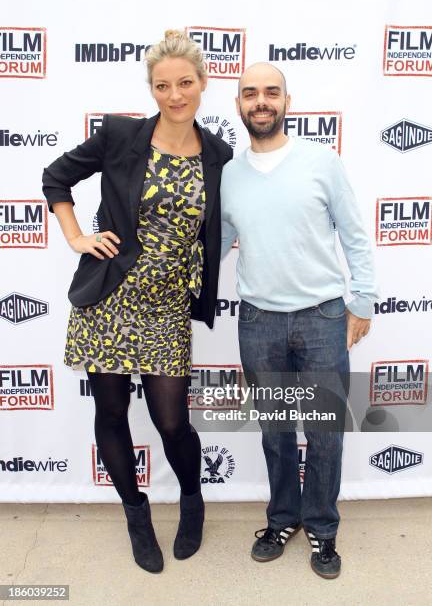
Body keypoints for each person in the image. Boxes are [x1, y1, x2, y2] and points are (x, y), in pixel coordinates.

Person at [42, 30, 232, 574]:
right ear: (151, 89)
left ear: (202, 84)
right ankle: (136, 513)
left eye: (185, 83)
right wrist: (77, 236)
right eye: (162, 85)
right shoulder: (121, 136)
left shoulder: (218, 156)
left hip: (168, 306)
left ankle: (192, 502)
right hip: (110, 302)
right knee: (111, 413)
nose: (175, 95)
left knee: (173, 422)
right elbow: (56, 178)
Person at [221, 62, 376, 579]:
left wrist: (365, 299)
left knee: (326, 431)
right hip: (258, 322)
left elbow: (354, 232)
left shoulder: (320, 161)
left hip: (322, 318)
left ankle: (323, 529)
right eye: (250, 93)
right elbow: (217, 242)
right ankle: (282, 518)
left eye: (270, 92)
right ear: (239, 105)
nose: (260, 101)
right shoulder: (229, 173)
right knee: (275, 431)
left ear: (288, 101)